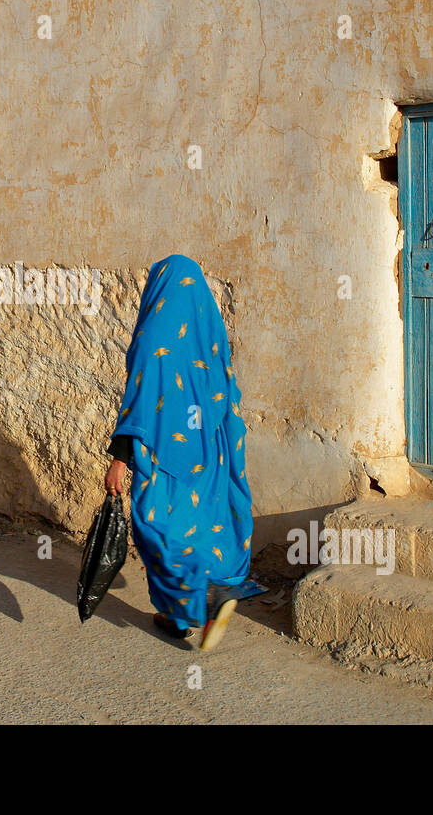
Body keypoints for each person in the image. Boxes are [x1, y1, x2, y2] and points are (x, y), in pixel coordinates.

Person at [104, 254, 263, 651]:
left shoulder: (153, 336)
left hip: (161, 455)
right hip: (209, 453)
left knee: (156, 531)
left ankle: (203, 599)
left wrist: (119, 460)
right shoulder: (208, 330)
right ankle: (177, 616)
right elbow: (227, 392)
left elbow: (139, 402)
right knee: (200, 528)